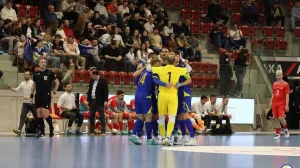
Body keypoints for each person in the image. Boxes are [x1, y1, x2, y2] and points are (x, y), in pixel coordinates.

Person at [152, 52, 188, 146]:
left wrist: (155, 58)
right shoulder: (178, 69)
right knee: (172, 117)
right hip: (173, 95)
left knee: (162, 117)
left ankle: (163, 137)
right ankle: (168, 137)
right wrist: (182, 60)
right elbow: (189, 69)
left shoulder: (160, 69)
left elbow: (150, 71)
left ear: (166, 61)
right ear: (174, 61)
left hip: (162, 94)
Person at [129, 59, 161, 145]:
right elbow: (158, 83)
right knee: (148, 117)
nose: (159, 67)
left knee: (141, 117)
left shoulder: (144, 71)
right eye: (158, 66)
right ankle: (150, 139)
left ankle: (134, 134)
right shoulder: (153, 74)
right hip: (146, 97)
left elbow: (135, 76)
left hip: (137, 96)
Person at [30, 58, 60, 138]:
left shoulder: (50, 72)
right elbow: (34, 86)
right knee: (39, 113)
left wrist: (54, 92)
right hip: (38, 95)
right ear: (39, 64)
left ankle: (51, 128)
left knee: (45, 113)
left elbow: (57, 83)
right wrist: (31, 96)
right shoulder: (36, 73)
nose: (43, 63)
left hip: (46, 95)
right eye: (42, 62)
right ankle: (42, 132)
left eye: (45, 62)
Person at [172, 51, 197, 146]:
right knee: (179, 116)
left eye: (175, 55)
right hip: (176, 94)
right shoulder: (170, 67)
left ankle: (192, 137)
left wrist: (179, 84)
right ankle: (184, 136)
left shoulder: (182, 66)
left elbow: (189, 74)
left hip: (184, 93)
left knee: (185, 115)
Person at [8, 71, 37, 135]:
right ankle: (19, 130)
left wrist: (29, 97)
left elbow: (35, 92)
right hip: (25, 103)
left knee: (36, 117)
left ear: (30, 75)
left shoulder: (33, 83)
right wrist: (11, 88)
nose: (25, 76)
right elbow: (16, 90)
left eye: (27, 74)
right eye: (25, 74)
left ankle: (39, 130)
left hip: (33, 102)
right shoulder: (22, 83)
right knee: (22, 116)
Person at [87, 69, 109, 135]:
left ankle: (103, 131)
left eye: (92, 75)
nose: (91, 77)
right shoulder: (91, 80)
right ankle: (91, 131)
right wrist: (88, 100)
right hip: (92, 101)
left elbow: (106, 91)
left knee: (102, 116)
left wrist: (105, 100)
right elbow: (90, 90)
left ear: (95, 75)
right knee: (91, 116)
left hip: (100, 101)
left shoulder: (103, 80)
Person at [271, 70, 290, 140]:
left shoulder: (285, 84)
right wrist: (271, 101)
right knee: (275, 119)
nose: (278, 77)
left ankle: (285, 129)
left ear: (282, 75)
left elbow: (287, 95)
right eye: (277, 76)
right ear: (276, 76)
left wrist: (287, 105)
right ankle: (277, 134)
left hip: (282, 103)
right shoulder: (274, 84)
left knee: (281, 118)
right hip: (274, 103)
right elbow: (273, 93)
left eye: (280, 75)